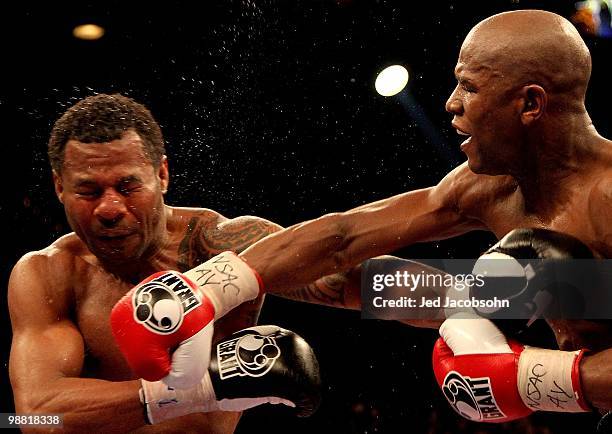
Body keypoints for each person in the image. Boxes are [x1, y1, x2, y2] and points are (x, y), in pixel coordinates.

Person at [153, 9, 611, 425]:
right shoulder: (490, 187)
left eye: (469, 86)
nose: (451, 103)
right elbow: (345, 236)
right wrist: (212, 285)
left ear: (530, 104)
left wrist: (536, 377)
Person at [8, 93, 320, 433]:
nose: (109, 209)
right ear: (59, 188)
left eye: (127, 186)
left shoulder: (225, 247)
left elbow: (347, 265)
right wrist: (208, 386)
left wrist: (390, 229)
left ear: (162, 174)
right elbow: (32, 417)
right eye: (89, 191)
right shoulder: (49, 274)